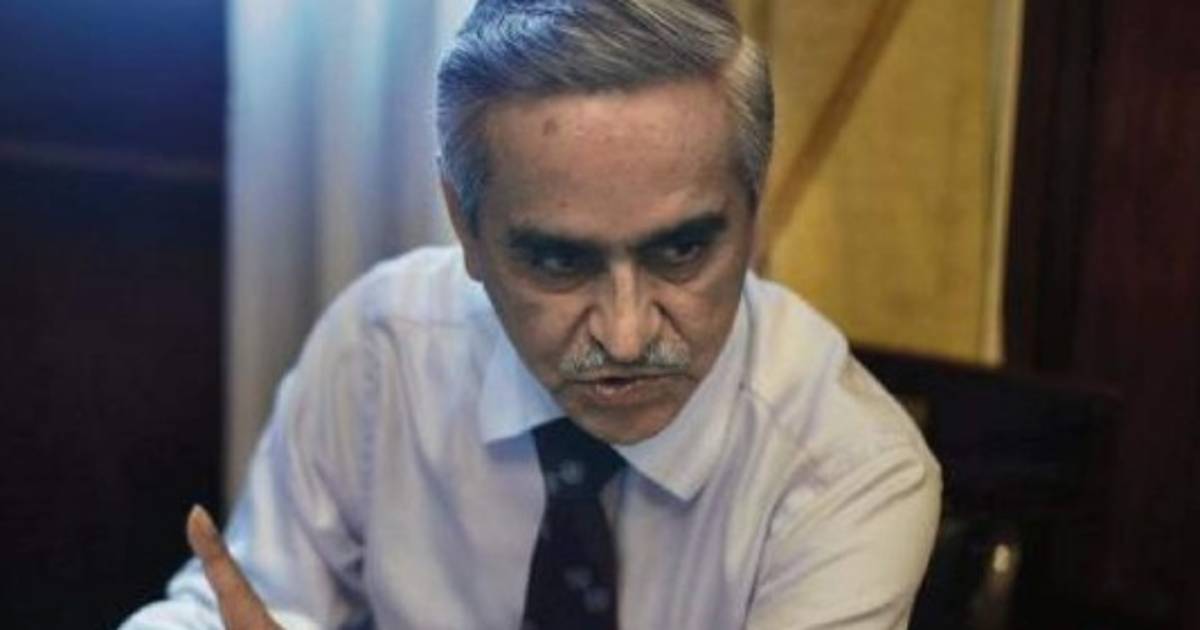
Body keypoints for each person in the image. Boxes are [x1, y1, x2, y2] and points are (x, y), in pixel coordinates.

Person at [122, 1, 941, 628]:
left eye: (682, 251)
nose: (626, 335)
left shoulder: (850, 470)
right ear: (465, 226)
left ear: (755, 216)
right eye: (558, 261)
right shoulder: (385, 348)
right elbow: (245, 601)